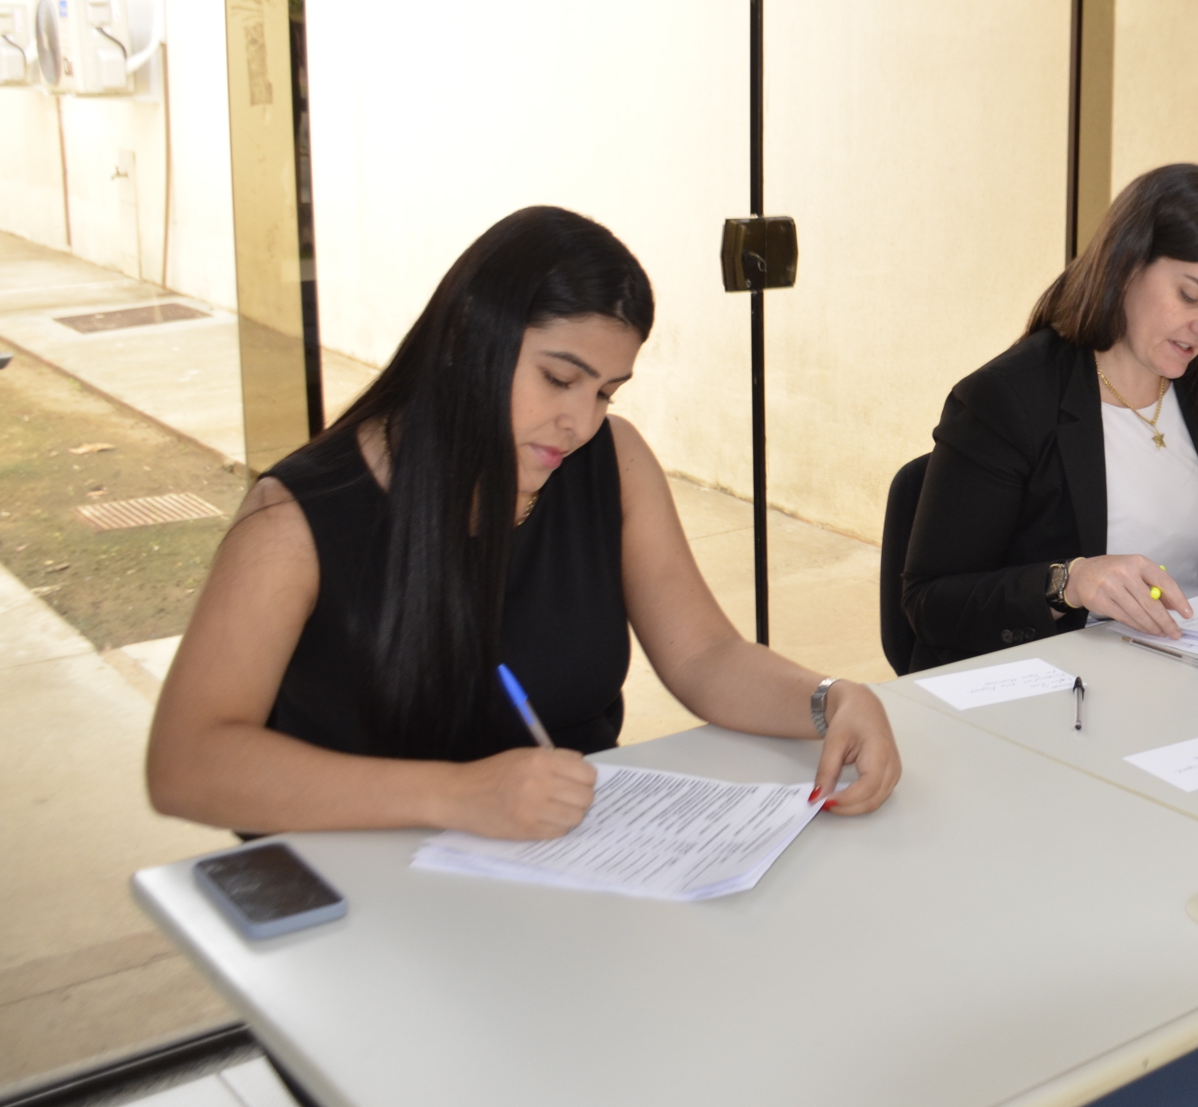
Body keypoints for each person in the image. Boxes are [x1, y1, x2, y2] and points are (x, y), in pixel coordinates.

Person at [147, 207, 902, 841]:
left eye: (606, 391)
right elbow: (187, 764)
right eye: (559, 378)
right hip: (362, 897)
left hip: (561, 870)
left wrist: (830, 699)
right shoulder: (295, 522)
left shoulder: (611, 462)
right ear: (468, 334)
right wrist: (455, 795)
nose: (579, 420)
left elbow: (705, 654)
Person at [901, 164, 1198, 670]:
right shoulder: (1007, 399)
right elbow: (930, 603)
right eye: (1192, 297)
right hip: (1064, 689)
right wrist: (1068, 583)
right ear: (1126, 266)